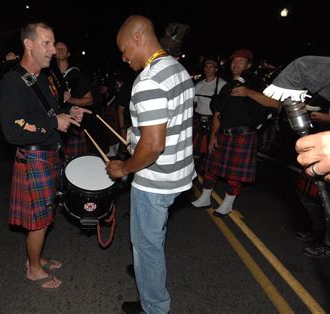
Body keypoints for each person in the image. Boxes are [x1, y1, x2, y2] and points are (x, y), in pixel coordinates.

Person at [107, 15, 195, 313]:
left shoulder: (148, 81)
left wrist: (124, 167)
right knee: (153, 240)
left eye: (124, 49)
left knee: (146, 246)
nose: (124, 57)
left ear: (137, 37)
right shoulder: (178, 69)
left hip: (155, 180)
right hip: (179, 175)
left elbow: (154, 145)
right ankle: (148, 274)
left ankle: (154, 306)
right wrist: (135, 135)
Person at [0, 21, 90, 290]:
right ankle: (33, 269)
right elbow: (12, 132)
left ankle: (35, 258)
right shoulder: (12, 82)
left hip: (49, 154)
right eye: (46, 43)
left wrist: (69, 114)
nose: (52, 49)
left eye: (52, 42)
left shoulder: (39, 78)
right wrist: (52, 125)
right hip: (33, 158)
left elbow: (49, 113)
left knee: (45, 215)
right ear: (28, 44)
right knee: (39, 219)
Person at [191, 48, 280, 216]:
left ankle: (228, 203)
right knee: (210, 168)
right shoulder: (226, 87)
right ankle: (205, 197)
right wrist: (212, 137)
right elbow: (217, 113)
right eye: (234, 61)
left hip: (243, 135)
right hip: (222, 134)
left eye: (241, 61)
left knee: (234, 175)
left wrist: (248, 92)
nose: (236, 64)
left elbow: (275, 104)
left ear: (249, 65)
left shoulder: (257, 83)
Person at [54, 41, 93, 157]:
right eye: (57, 48)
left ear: (68, 54)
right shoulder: (48, 75)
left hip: (73, 127)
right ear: (53, 53)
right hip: (54, 125)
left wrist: (71, 100)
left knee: (74, 165)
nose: (60, 50)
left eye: (63, 48)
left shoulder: (76, 75)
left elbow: (89, 100)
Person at [192, 57, 227, 165]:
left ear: (216, 69)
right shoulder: (198, 85)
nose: (208, 69)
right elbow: (193, 103)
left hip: (213, 120)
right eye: (206, 67)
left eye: (211, 67)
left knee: (211, 150)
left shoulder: (222, 84)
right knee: (194, 149)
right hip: (198, 120)